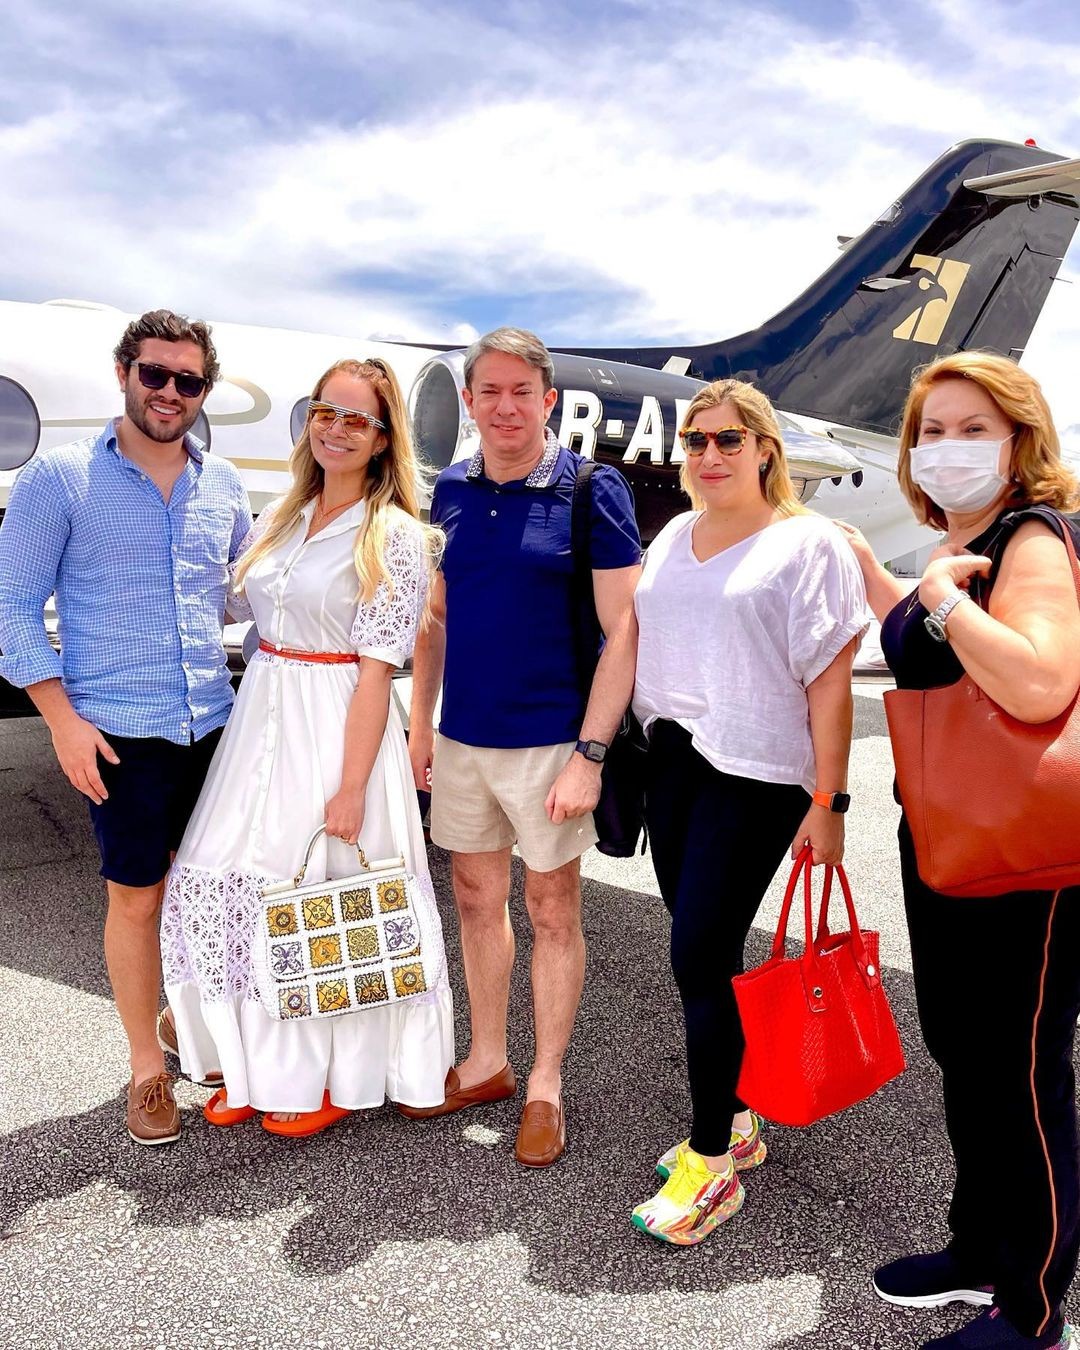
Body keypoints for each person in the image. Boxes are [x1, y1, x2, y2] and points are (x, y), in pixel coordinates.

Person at [838, 352, 1080, 1350]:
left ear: (1020, 441)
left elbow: (1036, 683)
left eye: (970, 428)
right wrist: (876, 572)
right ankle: (978, 1246)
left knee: (1022, 1071)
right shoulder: (965, 546)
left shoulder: (1037, 538)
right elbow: (923, 621)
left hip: (1031, 852)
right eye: (930, 431)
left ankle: (1031, 1310)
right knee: (966, 1054)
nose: (945, 448)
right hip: (949, 834)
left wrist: (939, 601)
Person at [157, 357, 453, 1136]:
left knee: (318, 898)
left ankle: (323, 1078)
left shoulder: (395, 537)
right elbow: (225, 596)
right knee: (228, 873)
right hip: (262, 709)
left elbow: (375, 674)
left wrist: (352, 786)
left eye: (358, 418)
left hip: (337, 722)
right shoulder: (283, 514)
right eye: (327, 412)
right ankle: (245, 1065)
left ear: (385, 438)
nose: (337, 428)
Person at [0, 310, 251, 1145]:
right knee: (137, 898)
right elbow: (11, 614)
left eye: (189, 381)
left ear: (204, 390)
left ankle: (198, 1029)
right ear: (124, 373)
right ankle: (148, 1069)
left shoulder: (224, 488)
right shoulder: (61, 479)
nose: (170, 393)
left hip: (215, 724)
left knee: (208, 893)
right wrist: (62, 723)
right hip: (119, 733)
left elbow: (248, 601)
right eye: (155, 375)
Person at [630, 378, 868, 1244]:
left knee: (696, 954)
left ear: (767, 448)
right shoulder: (671, 539)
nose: (710, 455)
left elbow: (830, 679)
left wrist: (830, 799)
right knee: (706, 952)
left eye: (729, 440)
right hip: (675, 766)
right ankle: (732, 1119)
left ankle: (710, 1165)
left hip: (759, 773)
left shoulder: (807, 545)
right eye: (696, 441)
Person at [403, 327, 640, 1167]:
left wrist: (590, 753)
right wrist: (418, 721)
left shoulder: (589, 489)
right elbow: (435, 619)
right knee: (474, 898)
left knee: (551, 910)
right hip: (463, 737)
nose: (505, 406)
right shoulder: (451, 491)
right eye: (488, 392)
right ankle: (488, 1060)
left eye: (521, 392)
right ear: (469, 403)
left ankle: (545, 1082)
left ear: (547, 401)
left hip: (550, 743)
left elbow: (624, 633)